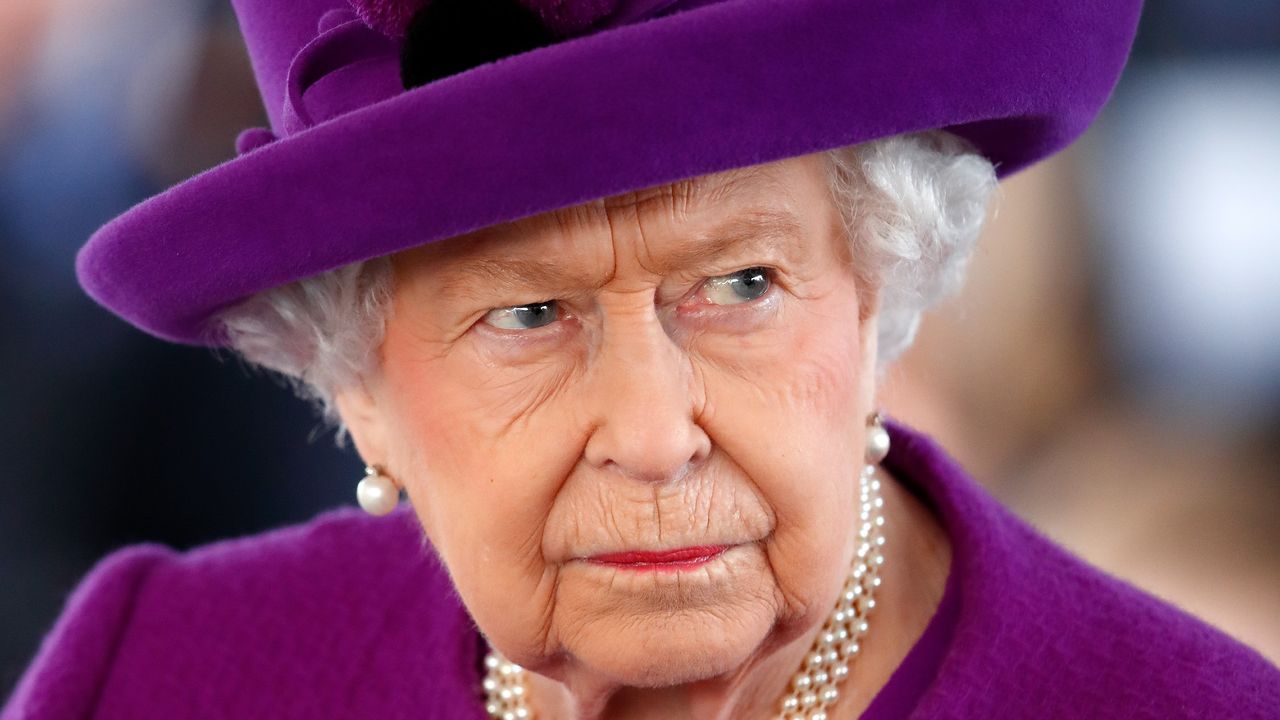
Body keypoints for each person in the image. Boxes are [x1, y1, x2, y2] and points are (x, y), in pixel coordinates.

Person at [5, 0, 1279, 718]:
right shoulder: (160, 675)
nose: (653, 431)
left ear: (875, 299)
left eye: (739, 284)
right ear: (357, 389)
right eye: (528, 315)